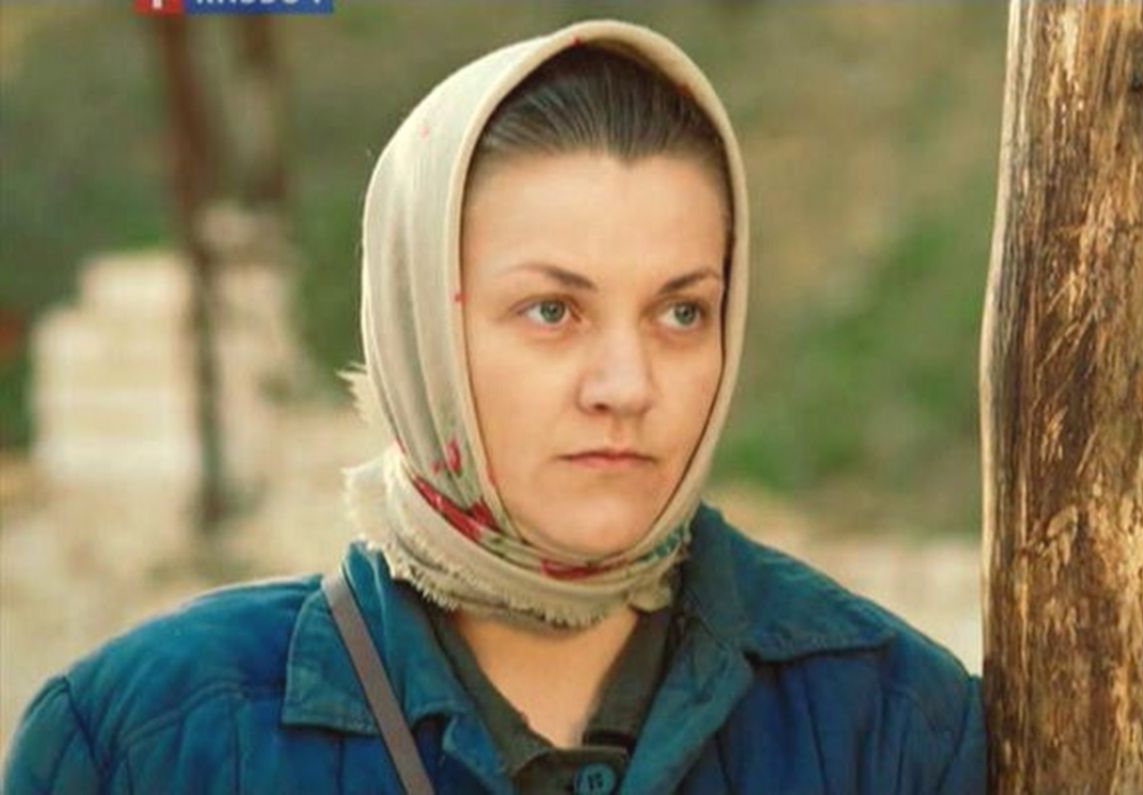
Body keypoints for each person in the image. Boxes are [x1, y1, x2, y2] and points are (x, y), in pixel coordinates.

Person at [3, 19, 984, 794]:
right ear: (420, 330)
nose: (626, 385)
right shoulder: (143, 745)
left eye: (681, 312)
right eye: (553, 310)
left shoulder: (892, 728)